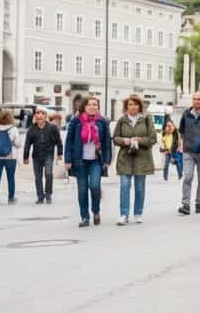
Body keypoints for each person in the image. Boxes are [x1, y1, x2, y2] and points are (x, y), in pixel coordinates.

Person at [64, 96, 112, 227]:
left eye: (95, 105)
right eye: (90, 104)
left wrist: (107, 159)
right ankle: (84, 217)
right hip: (80, 161)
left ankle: (96, 211)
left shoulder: (102, 122)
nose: (93, 107)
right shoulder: (76, 122)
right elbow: (69, 141)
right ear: (84, 107)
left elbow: (107, 142)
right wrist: (67, 159)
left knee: (95, 186)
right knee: (82, 190)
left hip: (96, 160)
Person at [113, 95, 156, 226]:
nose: (133, 107)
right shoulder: (122, 120)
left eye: (136, 104)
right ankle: (124, 215)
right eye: (130, 104)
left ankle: (138, 213)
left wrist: (139, 140)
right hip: (125, 158)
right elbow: (115, 138)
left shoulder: (147, 120)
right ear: (127, 107)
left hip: (141, 158)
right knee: (124, 186)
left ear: (140, 106)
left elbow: (152, 139)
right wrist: (124, 141)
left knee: (139, 188)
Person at [178, 92, 200, 215]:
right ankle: (185, 204)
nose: (196, 101)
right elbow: (181, 130)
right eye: (194, 99)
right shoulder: (186, 114)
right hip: (188, 152)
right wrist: (182, 144)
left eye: (199, 99)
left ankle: (199, 203)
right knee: (188, 176)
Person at [22, 108, 63, 205]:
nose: (39, 116)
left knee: (48, 174)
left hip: (48, 155)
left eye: (42, 114)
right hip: (36, 156)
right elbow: (27, 144)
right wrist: (25, 157)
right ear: (35, 117)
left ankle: (48, 194)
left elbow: (58, 141)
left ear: (46, 116)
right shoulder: (31, 130)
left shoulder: (52, 128)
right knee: (38, 177)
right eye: (37, 114)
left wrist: (60, 153)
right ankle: (40, 196)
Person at [0, 110, 22, 206]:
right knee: (11, 178)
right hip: (10, 157)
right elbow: (18, 144)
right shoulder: (13, 129)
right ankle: (11, 198)